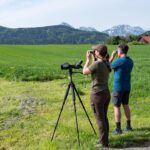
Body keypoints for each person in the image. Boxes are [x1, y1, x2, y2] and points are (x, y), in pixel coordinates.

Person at [83, 44, 111, 147]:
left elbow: (84, 72)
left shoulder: (97, 64)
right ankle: (105, 138)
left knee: (100, 118)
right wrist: (94, 58)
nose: (93, 51)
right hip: (106, 92)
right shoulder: (106, 62)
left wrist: (87, 60)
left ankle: (104, 143)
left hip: (97, 94)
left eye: (95, 50)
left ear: (98, 53)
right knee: (104, 117)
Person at [109, 43, 134, 134]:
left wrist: (112, 56)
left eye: (117, 50)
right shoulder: (130, 61)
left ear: (119, 51)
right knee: (126, 105)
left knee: (116, 106)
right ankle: (128, 126)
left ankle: (118, 129)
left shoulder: (120, 61)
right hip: (127, 86)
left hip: (118, 87)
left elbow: (108, 65)